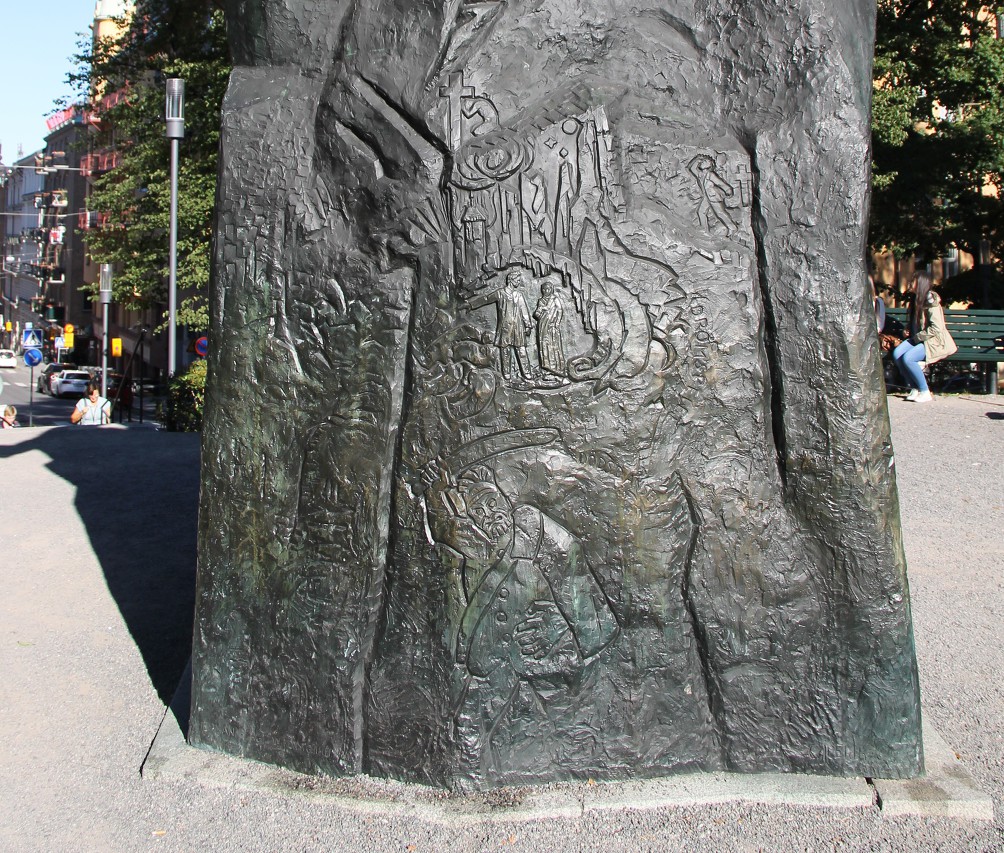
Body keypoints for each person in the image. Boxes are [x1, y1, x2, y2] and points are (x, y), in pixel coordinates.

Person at [892, 271, 958, 403]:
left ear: (920, 283)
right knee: (897, 353)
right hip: (919, 338)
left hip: (933, 341)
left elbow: (936, 328)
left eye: (913, 281)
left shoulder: (930, 301)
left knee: (908, 358)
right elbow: (916, 322)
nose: (910, 283)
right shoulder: (915, 299)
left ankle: (925, 391)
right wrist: (907, 328)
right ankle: (915, 388)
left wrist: (917, 338)